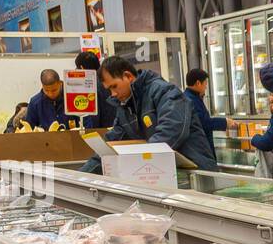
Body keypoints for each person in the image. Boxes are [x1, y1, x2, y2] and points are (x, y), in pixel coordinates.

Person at [80, 56, 218, 173]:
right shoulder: (125, 108)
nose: (113, 94)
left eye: (114, 86)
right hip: (165, 174)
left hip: (196, 173)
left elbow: (171, 131)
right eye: (109, 89)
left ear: (128, 76)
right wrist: (82, 176)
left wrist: (137, 162)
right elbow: (110, 145)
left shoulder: (164, 92)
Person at [183, 67, 231, 148]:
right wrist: (225, 122)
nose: (206, 87)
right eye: (205, 84)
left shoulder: (189, 97)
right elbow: (204, 123)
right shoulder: (192, 100)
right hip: (199, 147)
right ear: (198, 83)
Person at [75, 51, 117, 129]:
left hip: (101, 132)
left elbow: (92, 118)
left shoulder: (89, 85)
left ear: (81, 68)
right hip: (115, 128)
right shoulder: (107, 80)